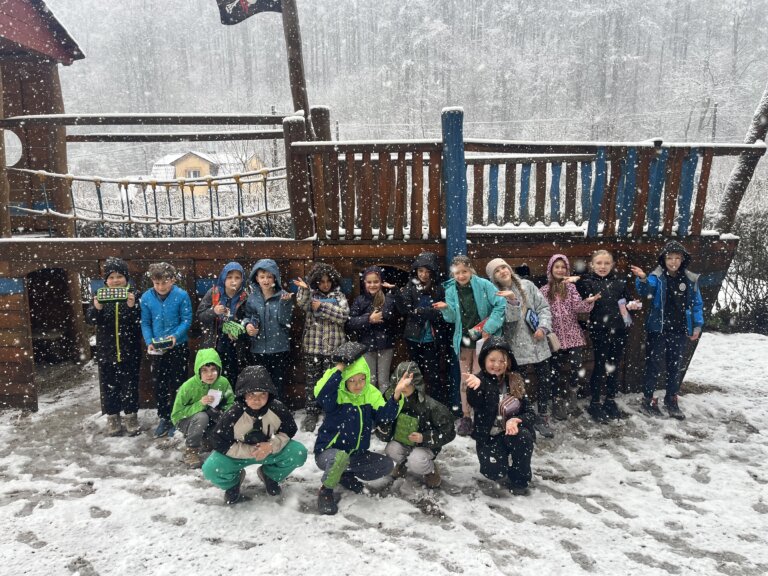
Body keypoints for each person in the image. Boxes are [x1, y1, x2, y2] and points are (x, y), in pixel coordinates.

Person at [313, 342, 410, 515]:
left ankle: (344, 475)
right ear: (345, 380)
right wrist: (340, 368)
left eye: (362, 379)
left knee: (386, 465)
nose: (358, 384)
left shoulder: (370, 394)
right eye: (352, 380)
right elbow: (322, 396)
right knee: (339, 458)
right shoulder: (336, 395)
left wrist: (396, 394)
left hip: (355, 455)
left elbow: (385, 416)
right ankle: (326, 491)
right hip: (328, 453)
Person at [202, 365, 308, 504]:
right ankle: (233, 484)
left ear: (269, 394)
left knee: (298, 452)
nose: (257, 399)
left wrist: (270, 446)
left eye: (262, 394)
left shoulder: (278, 409)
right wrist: (252, 451)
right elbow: (219, 442)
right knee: (211, 468)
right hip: (238, 455)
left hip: (270, 452)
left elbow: (289, 431)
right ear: (243, 395)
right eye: (251, 394)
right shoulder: (232, 415)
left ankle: (270, 475)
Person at [434, 255, 506, 437]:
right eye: (457, 273)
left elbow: (500, 305)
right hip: (464, 340)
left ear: (471, 270)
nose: (461, 276)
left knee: (481, 378)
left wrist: (489, 327)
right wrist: (445, 309)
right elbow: (451, 318)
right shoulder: (451, 289)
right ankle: (466, 416)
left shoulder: (484, 285)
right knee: (466, 379)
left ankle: (482, 415)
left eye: (464, 271)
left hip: (484, 339)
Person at [631, 241, 703, 420]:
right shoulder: (656, 277)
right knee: (653, 365)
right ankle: (648, 400)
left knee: (675, 366)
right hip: (658, 329)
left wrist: (697, 325)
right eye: (670, 258)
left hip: (680, 330)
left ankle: (671, 400)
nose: (673, 262)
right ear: (663, 259)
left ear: (683, 259)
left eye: (677, 258)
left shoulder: (690, 279)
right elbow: (646, 290)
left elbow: (696, 304)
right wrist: (642, 278)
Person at [485, 258, 554, 438]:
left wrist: (543, 327)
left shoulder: (527, 285)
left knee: (544, 380)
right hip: (516, 347)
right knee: (519, 384)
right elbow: (510, 320)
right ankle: (525, 416)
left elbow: (544, 308)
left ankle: (543, 415)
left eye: (503, 267)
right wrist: (512, 300)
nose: (502, 271)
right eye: (497, 271)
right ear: (493, 277)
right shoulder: (495, 294)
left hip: (538, 343)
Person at [465, 337, 536, 496]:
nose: (496, 365)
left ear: (508, 362)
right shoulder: (479, 381)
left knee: (524, 437)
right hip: (489, 436)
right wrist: (476, 388)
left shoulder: (515, 381)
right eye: (492, 360)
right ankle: (500, 460)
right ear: (484, 360)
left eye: (501, 361)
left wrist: (517, 420)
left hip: (511, 433)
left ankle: (519, 478)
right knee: (494, 473)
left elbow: (530, 413)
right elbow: (474, 401)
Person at [576, 250, 641, 423]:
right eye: (599, 263)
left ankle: (610, 400)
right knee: (600, 365)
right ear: (592, 265)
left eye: (606, 263)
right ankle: (595, 402)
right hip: (599, 330)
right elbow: (581, 302)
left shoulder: (619, 283)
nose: (602, 266)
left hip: (619, 330)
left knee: (614, 366)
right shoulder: (587, 283)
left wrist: (632, 306)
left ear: (612, 265)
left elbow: (625, 304)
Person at [85, 257, 143, 437]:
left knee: (130, 386)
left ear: (126, 278)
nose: (116, 280)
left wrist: (132, 307)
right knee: (109, 386)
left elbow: (140, 321)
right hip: (106, 351)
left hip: (130, 350)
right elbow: (91, 320)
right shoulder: (100, 295)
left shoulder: (135, 295)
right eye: (111, 277)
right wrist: (97, 308)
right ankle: (113, 417)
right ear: (106, 280)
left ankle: (131, 417)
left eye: (119, 276)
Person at [376, 361, 455, 488]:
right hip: (402, 442)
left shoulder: (431, 406)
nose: (404, 387)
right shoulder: (390, 401)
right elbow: (382, 430)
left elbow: (448, 432)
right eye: (400, 383)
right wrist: (388, 427)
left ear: (416, 384)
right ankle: (402, 464)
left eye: (408, 383)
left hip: (425, 446)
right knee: (391, 449)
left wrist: (424, 437)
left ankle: (430, 470)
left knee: (416, 460)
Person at [539, 254, 599, 420]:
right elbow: (540, 311)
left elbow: (579, 307)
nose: (560, 270)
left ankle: (572, 393)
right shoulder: (544, 290)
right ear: (551, 269)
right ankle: (557, 399)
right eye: (556, 267)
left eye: (563, 267)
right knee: (555, 369)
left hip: (573, 333)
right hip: (554, 337)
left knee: (576, 365)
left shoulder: (571, 288)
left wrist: (588, 301)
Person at [293, 262, 350, 432]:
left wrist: (322, 306)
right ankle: (312, 412)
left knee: (331, 383)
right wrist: (304, 290)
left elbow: (343, 315)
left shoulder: (339, 296)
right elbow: (302, 303)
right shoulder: (311, 295)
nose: (325, 285)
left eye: (328, 281)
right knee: (312, 382)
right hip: (313, 347)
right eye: (321, 281)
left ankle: (330, 411)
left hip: (334, 348)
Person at [140, 262, 193, 438]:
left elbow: (186, 319)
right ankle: (164, 417)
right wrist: (149, 341)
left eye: (164, 282)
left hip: (178, 346)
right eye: (157, 283)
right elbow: (145, 322)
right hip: (157, 349)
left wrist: (176, 336)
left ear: (173, 280)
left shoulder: (181, 295)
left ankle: (177, 417)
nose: (161, 287)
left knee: (178, 383)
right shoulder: (147, 298)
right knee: (159, 384)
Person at [393, 252, 451, 405]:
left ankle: (435, 404)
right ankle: (416, 404)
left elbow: (442, 313)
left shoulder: (439, 288)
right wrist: (396, 294)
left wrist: (422, 311)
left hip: (432, 338)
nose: (423, 275)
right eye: (420, 271)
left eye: (427, 271)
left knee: (433, 374)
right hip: (414, 337)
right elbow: (405, 309)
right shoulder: (411, 287)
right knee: (414, 373)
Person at [171, 348, 235, 469]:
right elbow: (176, 415)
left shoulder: (223, 382)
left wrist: (223, 413)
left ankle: (208, 440)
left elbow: (231, 403)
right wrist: (200, 404)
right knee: (202, 416)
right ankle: (191, 450)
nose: (210, 374)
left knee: (223, 417)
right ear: (198, 371)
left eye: (213, 370)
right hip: (186, 421)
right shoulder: (188, 386)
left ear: (219, 370)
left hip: (211, 417)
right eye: (205, 370)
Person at [243, 259, 294, 400]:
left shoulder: (283, 296)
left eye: (269, 276)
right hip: (258, 348)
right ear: (257, 278)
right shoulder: (252, 298)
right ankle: (262, 408)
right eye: (262, 277)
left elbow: (285, 321)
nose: (266, 280)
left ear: (275, 278)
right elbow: (247, 317)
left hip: (279, 348)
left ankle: (278, 407)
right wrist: (248, 326)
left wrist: (284, 304)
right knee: (260, 383)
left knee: (278, 383)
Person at [346, 266, 399, 392]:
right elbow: (350, 323)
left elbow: (392, 316)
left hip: (386, 345)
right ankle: (371, 403)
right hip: (367, 345)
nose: (372, 285)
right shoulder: (360, 300)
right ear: (364, 283)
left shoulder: (388, 298)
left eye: (376, 282)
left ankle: (384, 404)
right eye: (369, 282)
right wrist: (369, 319)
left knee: (383, 381)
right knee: (370, 380)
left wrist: (393, 293)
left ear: (381, 282)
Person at [197, 261, 248, 388]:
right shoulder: (213, 293)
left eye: (237, 277)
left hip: (236, 345)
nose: (233, 281)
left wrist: (238, 331)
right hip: (214, 342)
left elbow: (249, 319)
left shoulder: (245, 296)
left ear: (242, 280)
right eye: (229, 277)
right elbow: (200, 315)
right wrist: (213, 311)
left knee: (234, 376)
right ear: (223, 278)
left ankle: (232, 398)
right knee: (214, 376)